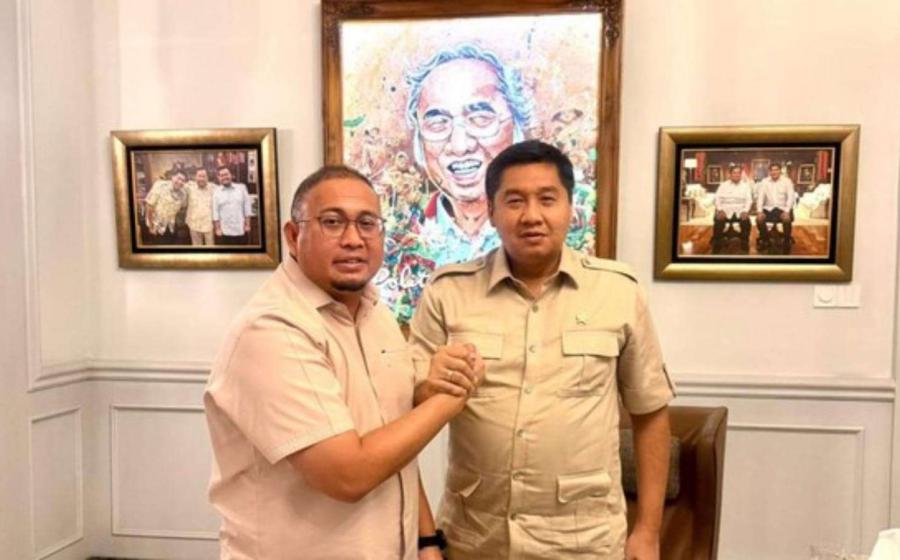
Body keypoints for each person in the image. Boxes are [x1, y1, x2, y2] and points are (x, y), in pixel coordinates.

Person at [409, 140, 675, 559]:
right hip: (475, 538)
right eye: (514, 201)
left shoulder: (619, 292)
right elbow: (406, 412)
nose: (531, 215)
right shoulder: (448, 293)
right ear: (491, 211)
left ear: (570, 207)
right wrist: (431, 386)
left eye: (547, 199)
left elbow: (651, 414)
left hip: (583, 542)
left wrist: (648, 530)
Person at [204, 165, 485, 559]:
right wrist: (451, 397)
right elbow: (347, 474)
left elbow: (396, 443)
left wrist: (426, 542)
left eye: (367, 223)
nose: (353, 239)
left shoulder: (375, 313)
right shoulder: (272, 329)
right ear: (293, 236)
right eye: (332, 222)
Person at [405, 43, 533, 266]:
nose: (460, 146)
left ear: (517, 127)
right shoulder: (399, 238)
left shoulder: (546, 230)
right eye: (438, 123)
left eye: (481, 119)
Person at [756, 162, 796, 254]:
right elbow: (760, 197)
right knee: (759, 219)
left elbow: (791, 197)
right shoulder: (764, 182)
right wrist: (759, 211)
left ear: (780, 171)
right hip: (768, 208)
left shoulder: (787, 181)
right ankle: (765, 240)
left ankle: (786, 241)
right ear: (769, 172)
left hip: (782, 208)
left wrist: (787, 211)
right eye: (772, 170)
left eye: (776, 170)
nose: (774, 172)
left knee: (786, 219)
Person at [712, 164, 753, 253]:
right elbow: (717, 198)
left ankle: (744, 242)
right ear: (730, 174)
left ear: (741, 174)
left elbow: (749, 200)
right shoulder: (723, 185)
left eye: (738, 173)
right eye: (734, 172)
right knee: (718, 220)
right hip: (725, 210)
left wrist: (745, 211)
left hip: (740, 210)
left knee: (746, 221)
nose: (736, 175)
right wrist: (720, 210)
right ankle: (717, 242)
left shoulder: (745, 186)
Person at [144, 171, 187, 244]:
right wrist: (151, 227)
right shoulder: (160, 186)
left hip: (171, 226)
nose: (180, 182)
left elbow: (182, 207)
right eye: (178, 178)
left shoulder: (183, 194)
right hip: (156, 226)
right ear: (173, 177)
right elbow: (149, 206)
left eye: (183, 180)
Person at [212, 166, 252, 245]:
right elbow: (215, 211)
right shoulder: (216, 192)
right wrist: (217, 228)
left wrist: (247, 225)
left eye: (226, 174)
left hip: (241, 230)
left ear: (231, 175)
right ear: (218, 178)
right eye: (221, 175)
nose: (224, 177)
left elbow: (247, 208)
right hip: (224, 232)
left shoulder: (242, 188)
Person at [185, 168, 217, 246]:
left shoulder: (214, 188)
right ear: (195, 177)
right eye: (199, 176)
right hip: (194, 223)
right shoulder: (189, 187)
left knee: (210, 247)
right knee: (197, 248)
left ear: (207, 177)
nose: (201, 179)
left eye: (204, 176)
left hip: (208, 224)